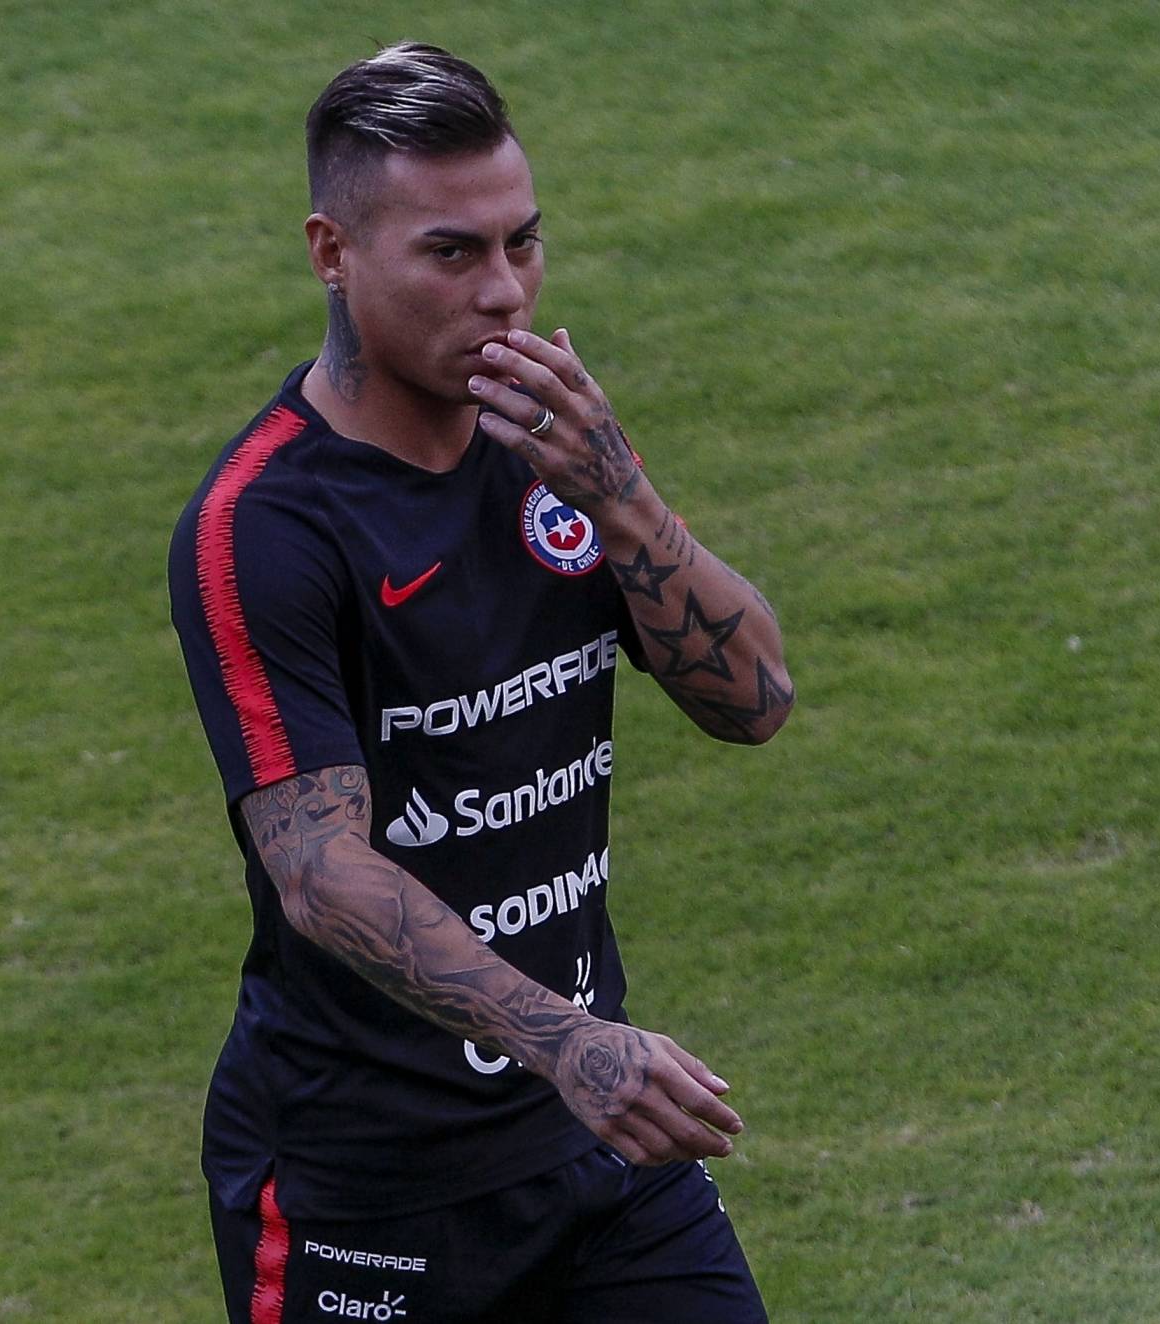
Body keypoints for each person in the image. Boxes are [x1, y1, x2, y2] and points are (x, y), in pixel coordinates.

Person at [168, 41, 794, 1323]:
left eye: (523, 243)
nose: (504, 291)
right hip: (372, 1188)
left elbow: (756, 701)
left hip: (600, 1147)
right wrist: (567, 1041)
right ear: (331, 251)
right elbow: (319, 869)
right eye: (452, 252)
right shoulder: (267, 525)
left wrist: (622, 498)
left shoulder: (554, 452)